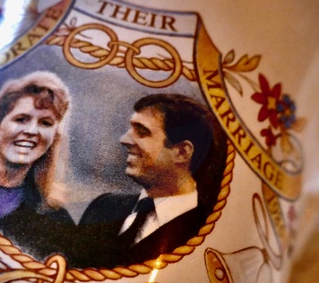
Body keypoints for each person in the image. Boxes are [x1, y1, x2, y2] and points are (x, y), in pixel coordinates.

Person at [72, 93, 227, 268]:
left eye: (141, 131)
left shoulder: (209, 230)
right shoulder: (103, 208)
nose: (124, 140)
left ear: (182, 152)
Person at [0, 71, 75, 261]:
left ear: (54, 138)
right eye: (21, 119)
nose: (31, 131)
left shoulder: (55, 222)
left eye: (45, 123)